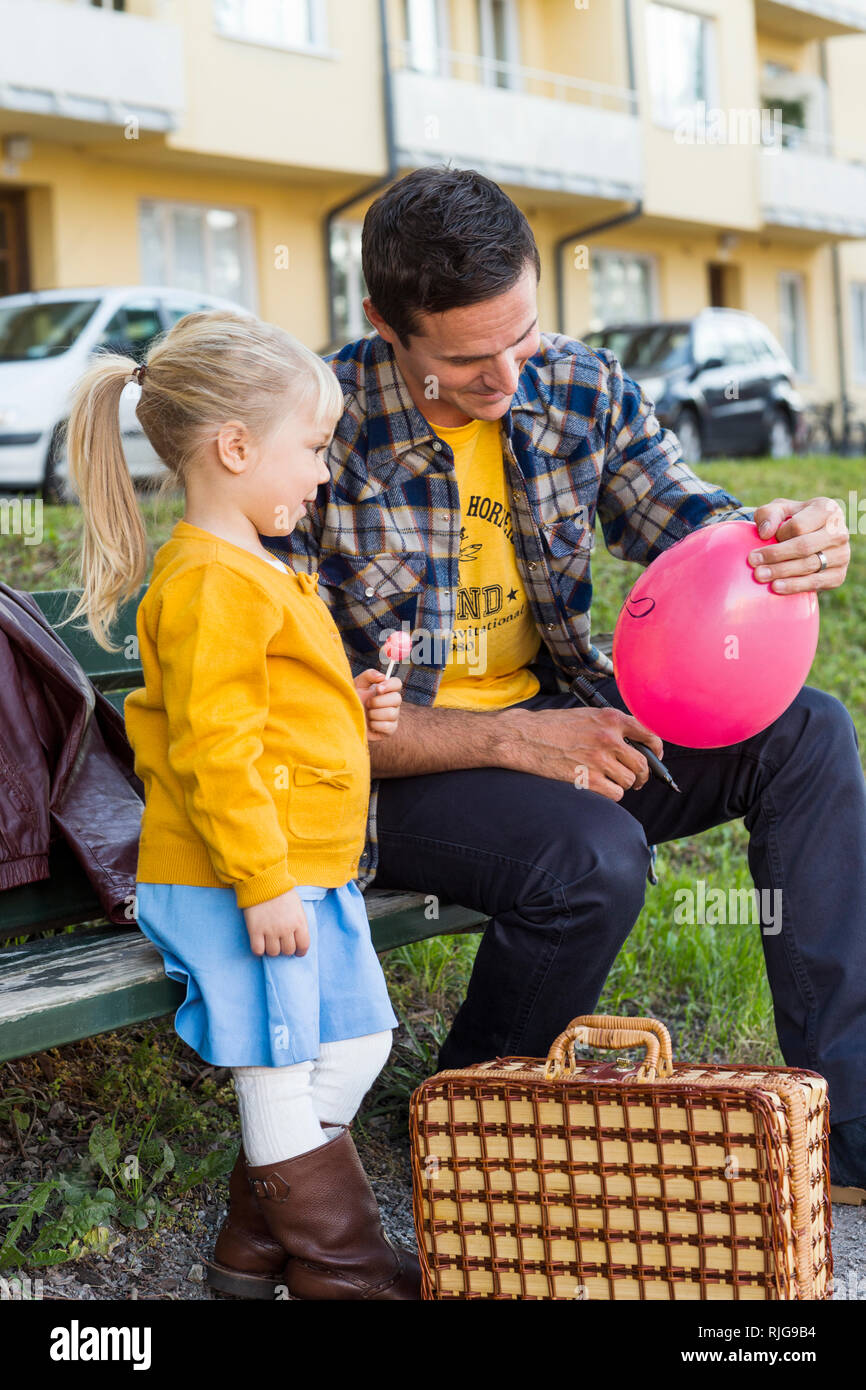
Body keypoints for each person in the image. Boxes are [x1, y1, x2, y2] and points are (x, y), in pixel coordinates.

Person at [260, 165, 866, 1209]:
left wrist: (783, 542)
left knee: (804, 733)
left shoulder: (578, 388)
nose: (505, 377)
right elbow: (298, 722)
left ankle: (848, 1135)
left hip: (561, 728)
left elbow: (697, 525)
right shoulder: (310, 436)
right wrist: (514, 742)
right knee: (592, 851)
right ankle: (463, 1118)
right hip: (383, 769)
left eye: (521, 336)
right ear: (381, 323)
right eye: (465, 358)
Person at [62, 308, 421, 1300]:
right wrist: (261, 884)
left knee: (355, 1042)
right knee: (276, 1062)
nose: (320, 472)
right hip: (239, 876)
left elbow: (264, 714)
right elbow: (216, 752)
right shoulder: (210, 580)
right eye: (311, 449)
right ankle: (340, 1272)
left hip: (304, 869)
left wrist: (345, 705)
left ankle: (252, 1250)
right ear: (233, 446)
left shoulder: (260, 566)